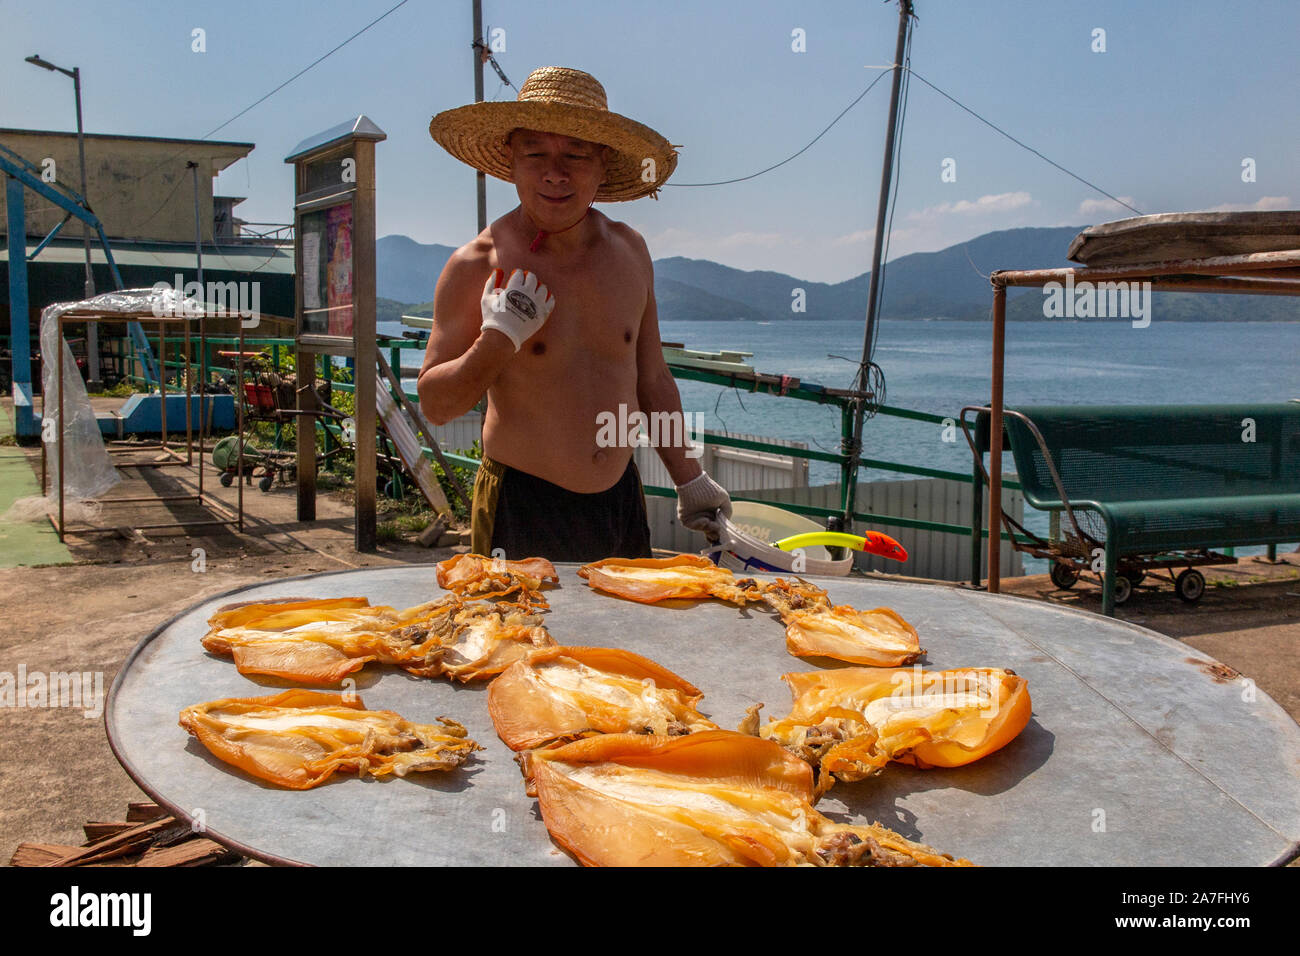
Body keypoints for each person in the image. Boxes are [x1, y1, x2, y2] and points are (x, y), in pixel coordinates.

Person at [421, 66, 731, 563]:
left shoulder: (630, 251)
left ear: (603, 162)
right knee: (518, 641)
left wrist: (690, 479)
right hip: (521, 504)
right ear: (510, 159)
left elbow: (651, 379)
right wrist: (497, 340)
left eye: (576, 154)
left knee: (626, 639)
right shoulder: (476, 265)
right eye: (535, 153)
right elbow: (436, 406)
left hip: (619, 499)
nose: (555, 173)